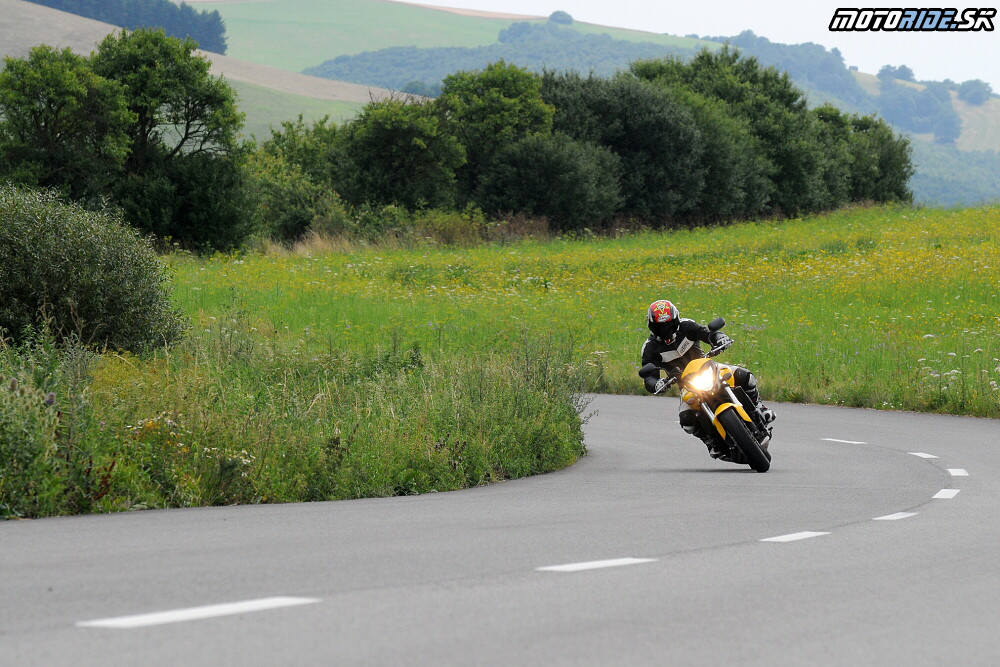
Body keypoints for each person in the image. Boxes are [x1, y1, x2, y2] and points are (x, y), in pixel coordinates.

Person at [638, 299, 775, 461]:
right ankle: (710, 441)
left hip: (709, 369)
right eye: (660, 327)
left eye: (669, 325)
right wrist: (656, 383)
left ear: (676, 320)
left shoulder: (687, 326)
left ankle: (760, 406)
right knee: (686, 420)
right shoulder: (649, 348)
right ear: (652, 326)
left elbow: (707, 333)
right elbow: (649, 376)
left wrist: (719, 337)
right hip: (687, 385)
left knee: (745, 377)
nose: (665, 330)